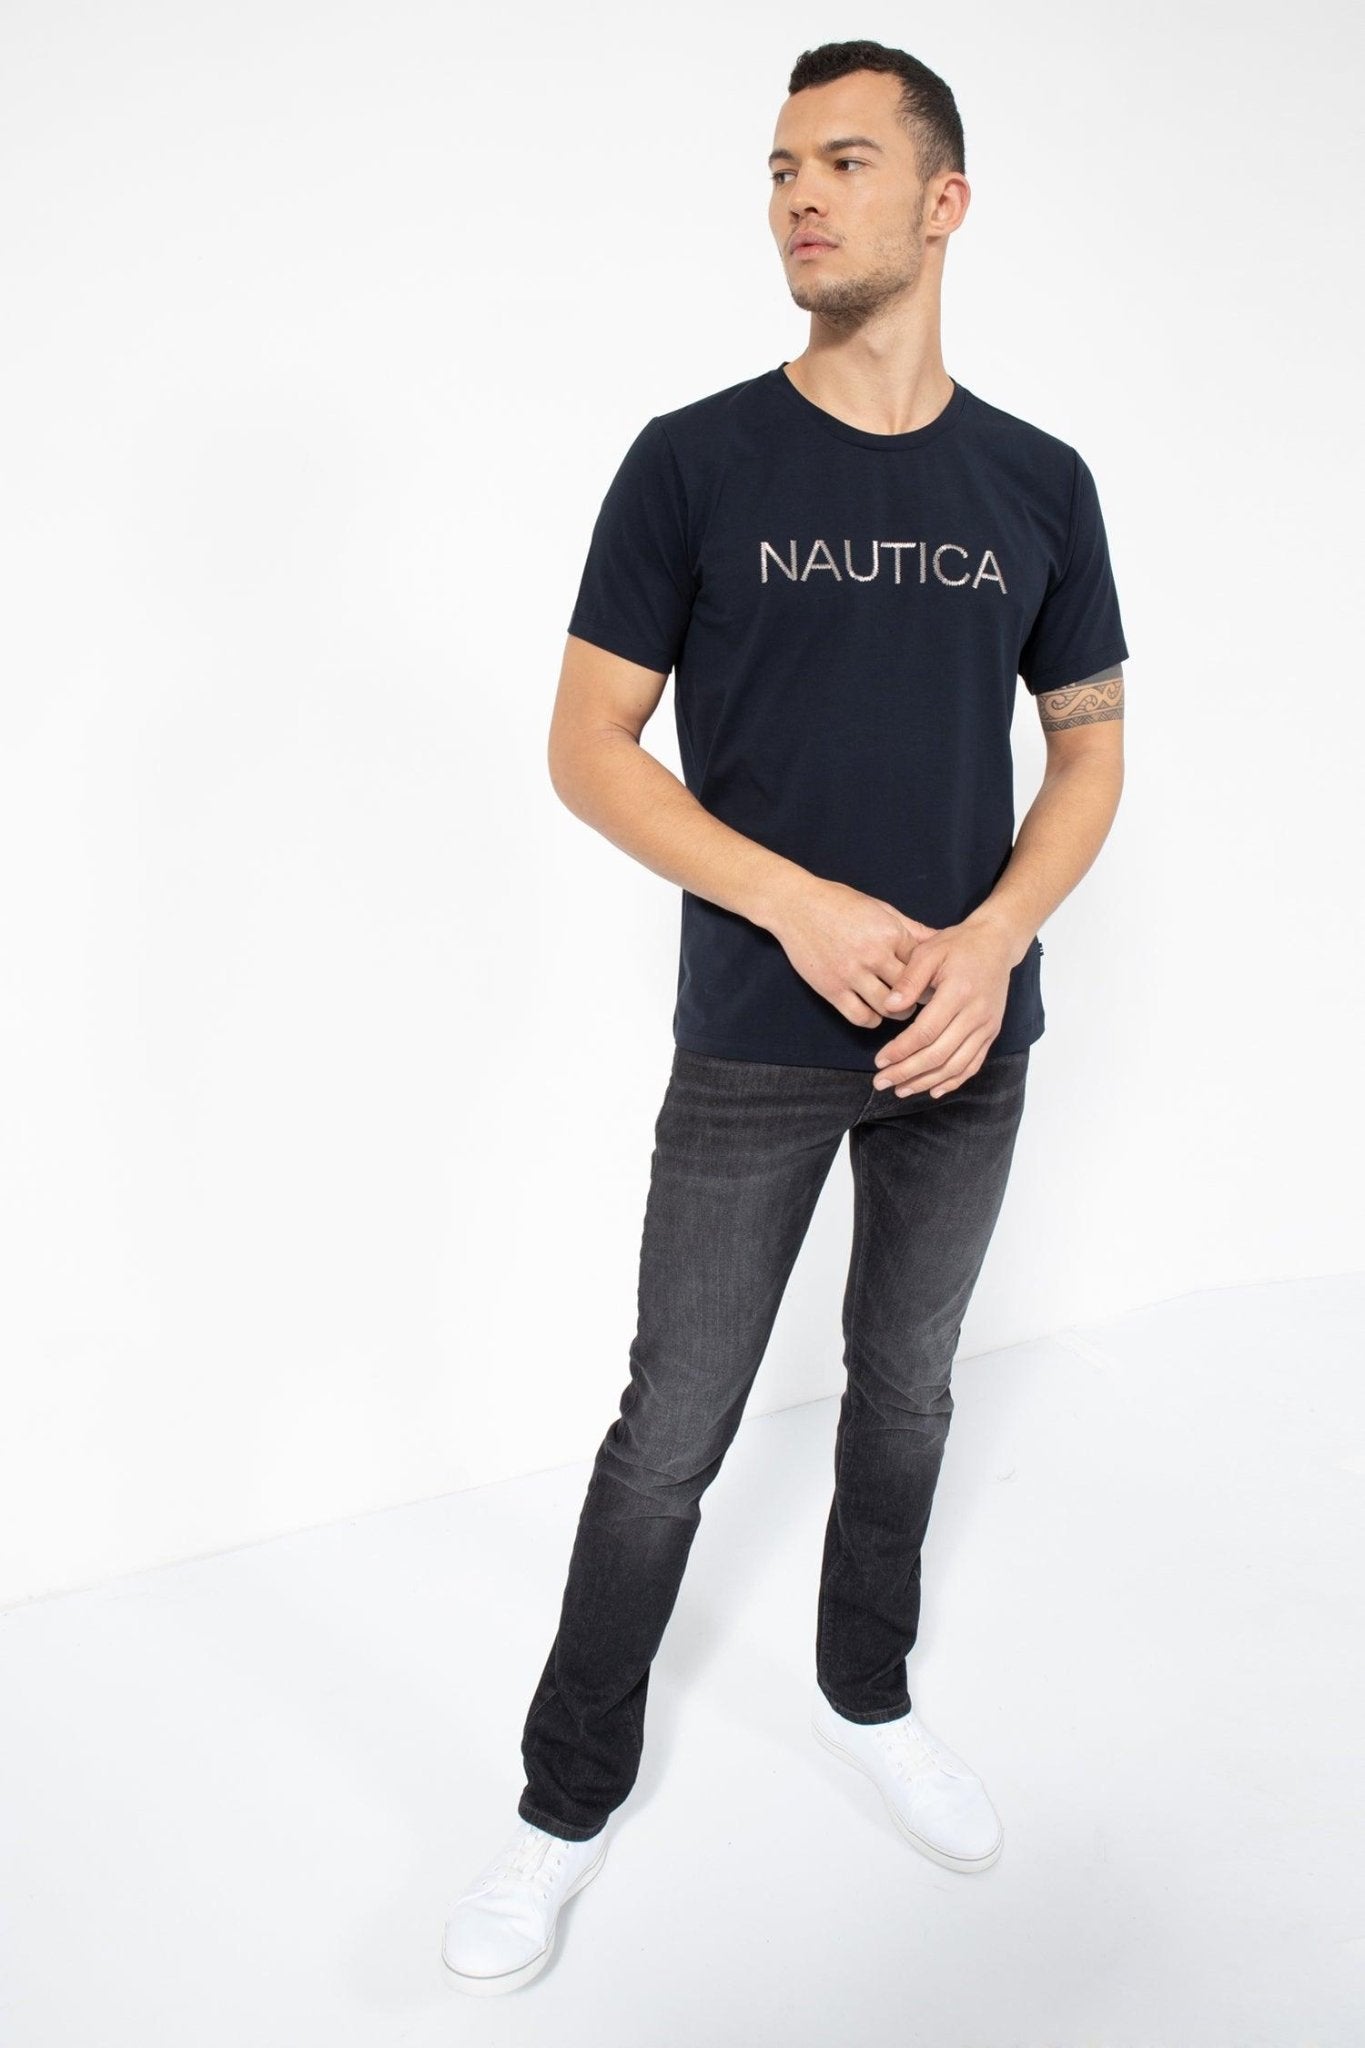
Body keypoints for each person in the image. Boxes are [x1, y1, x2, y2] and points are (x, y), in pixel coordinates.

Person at [443, 36, 1128, 1994]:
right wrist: (796, 901)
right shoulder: (694, 461)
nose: (798, 198)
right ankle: (561, 1806)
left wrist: (990, 941)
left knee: (906, 1389)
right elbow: (589, 745)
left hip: (961, 1046)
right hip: (754, 1035)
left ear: (943, 200)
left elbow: (1085, 748)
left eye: (841, 161)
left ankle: (866, 1690)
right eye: (775, 168)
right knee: (671, 1427)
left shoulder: (1036, 481)